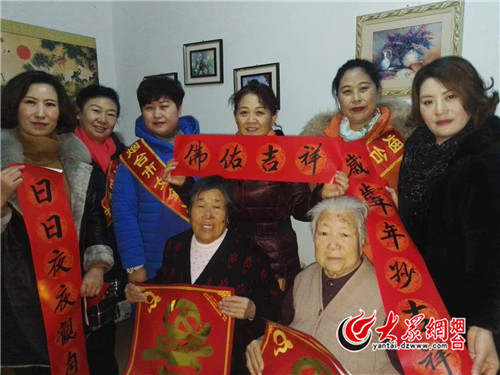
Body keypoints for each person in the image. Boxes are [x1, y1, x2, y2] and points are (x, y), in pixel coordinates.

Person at [164, 81, 348, 291]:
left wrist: (322, 196)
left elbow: (301, 210)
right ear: (235, 117)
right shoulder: (224, 153)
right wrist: (184, 185)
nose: (251, 120)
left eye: (259, 112)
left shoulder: (286, 153)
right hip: (233, 249)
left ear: (274, 116)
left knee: (274, 317)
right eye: (243, 112)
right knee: (236, 315)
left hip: (276, 256)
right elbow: (210, 207)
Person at [1, 71, 114, 373]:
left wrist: (96, 266)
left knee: (73, 358)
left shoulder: (78, 161)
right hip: (21, 292)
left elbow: (93, 216)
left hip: (70, 286)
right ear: (15, 106)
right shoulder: (2, 161)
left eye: (49, 104)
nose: (41, 113)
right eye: (31, 102)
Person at [398, 56, 500, 375]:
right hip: (423, 302)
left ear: (470, 97)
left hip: (469, 310)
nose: (439, 110)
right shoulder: (418, 149)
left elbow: (490, 250)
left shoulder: (485, 158)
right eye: (429, 101)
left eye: (450, 97)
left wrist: (484, 324)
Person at [125, 175, 282, 374]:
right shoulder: (175, 246)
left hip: (229, 359)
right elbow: (164, 286)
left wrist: (251, 310)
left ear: (227, 214)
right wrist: (140, 291)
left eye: (217, 207)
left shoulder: (249, 252)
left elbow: (275, 305)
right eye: (200, 206)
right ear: (189, 212)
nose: (208, 215)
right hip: (180, 355)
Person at [245, 196, 401, 374]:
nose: (333, 245)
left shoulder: (387, 297)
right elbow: (285, 332)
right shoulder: (302, 280)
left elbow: (410, 366)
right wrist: (264, 342)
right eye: (324, 233)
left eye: (344, 234)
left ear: (361, 240)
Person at [112, 77, 200, 283]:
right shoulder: (134, 157)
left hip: (200, 253)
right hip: (153, 260)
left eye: (164, 106)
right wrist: (134, 265)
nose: (157, 114)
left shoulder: (200, 149)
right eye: (149, 108)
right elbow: (124, 215)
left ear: (178, 109)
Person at [74, 84, 127, 375]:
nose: (103, 119)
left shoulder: (122, 154)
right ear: (78, 113)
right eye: (95, 111)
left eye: (111, 114)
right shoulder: (65, 154)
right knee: (74, 335)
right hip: (71, 256)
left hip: (110, 255)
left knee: (103, 333)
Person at [300, 58, 412, 190]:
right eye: (347, 91)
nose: (356, 98)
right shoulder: (320, 139)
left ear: (378, 91)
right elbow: (304, 196)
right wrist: (320, 194)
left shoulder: (403, 130)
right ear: (338, 97)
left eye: (363, 88)